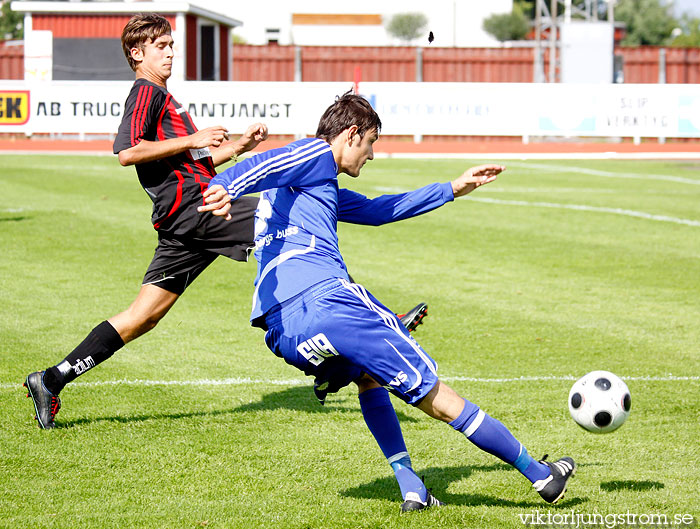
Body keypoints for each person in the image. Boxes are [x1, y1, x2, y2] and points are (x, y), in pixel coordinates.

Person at [22, 13, 427, 435]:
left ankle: (50, 379)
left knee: (143, 316)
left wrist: (237, 148)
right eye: (161, 46)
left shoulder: (165, 98)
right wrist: (194, 139)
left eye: (171, 44)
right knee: (290, 220)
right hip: (198, 209)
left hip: (185, 218)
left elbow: (186, 164)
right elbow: (128, 151)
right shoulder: (146, 92)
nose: (170, 52)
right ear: (137, 54)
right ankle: (363, 334)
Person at [199, 92, 577, 510]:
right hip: (331, 303)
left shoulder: (305, 189)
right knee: (440, 399)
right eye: (371, 143)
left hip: (281, 329)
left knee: (368, 378)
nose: (372, 155)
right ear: (351, 134)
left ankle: (409, 483)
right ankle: (542, 476)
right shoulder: (317, 154)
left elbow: (380, 210)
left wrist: (452, 188)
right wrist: (223, 186)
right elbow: (263, 162)